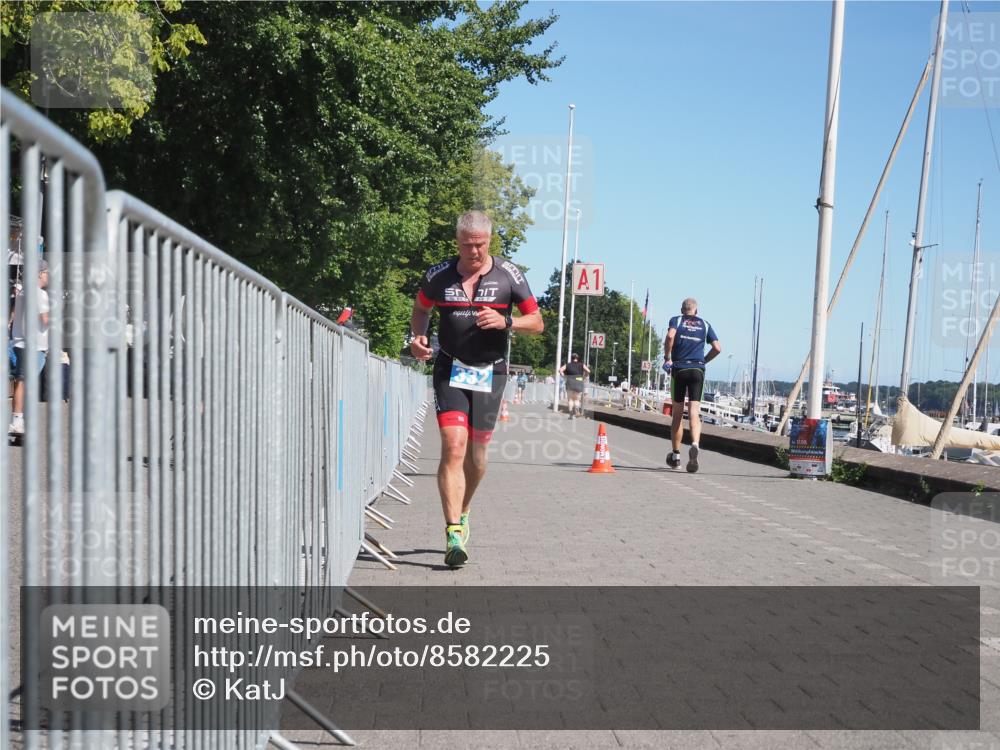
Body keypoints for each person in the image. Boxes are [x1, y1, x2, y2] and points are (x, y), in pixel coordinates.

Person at [410, 211, 544, 567]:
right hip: (450, 366)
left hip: (490, 371)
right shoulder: (439, 275)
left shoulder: (509, 275)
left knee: (478, 458)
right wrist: (417, 338)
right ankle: (454, 532)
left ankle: (464, 508)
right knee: (454, 445)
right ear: (457, 242)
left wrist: (507, 320)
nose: (474, 252)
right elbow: (420, 310)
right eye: (468, 245)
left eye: (481, 245)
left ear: (490, 241)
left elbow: (538, 322)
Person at [664, 297, 721, 473]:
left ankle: (676, 455)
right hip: (698, 370)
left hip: (679, 369)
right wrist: (703, 361)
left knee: (678, 415)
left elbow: (670, 336)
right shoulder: (705, 324)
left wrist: (667, 358)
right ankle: (695, 443)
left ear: (682, 310)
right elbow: (718, 348)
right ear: (696, 310)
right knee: (694, 413)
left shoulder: (677, 320)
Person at [8, 260, 50, 436]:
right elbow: (46, 320)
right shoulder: (39, 294)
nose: (48, 276)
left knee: (23, 381)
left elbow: (14, 315)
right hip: (33, 345)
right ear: (40, 274)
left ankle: (20, 420)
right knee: (23, 382)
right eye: (47, 272)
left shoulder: (22, 292)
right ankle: (17, 421)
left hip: (21, 342)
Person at [560, 353, 590, 418]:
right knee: (577, 399)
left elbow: (560, 370)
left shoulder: (567, 365)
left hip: (570, 382)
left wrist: (564, 377)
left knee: (570, 399)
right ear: (577, 358)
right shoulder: (581, 364)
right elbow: (588, 371)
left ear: (571, 358)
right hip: (579, 382)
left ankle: (571, 413)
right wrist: (585, 376)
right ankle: (577, 410)